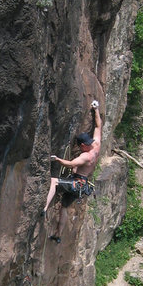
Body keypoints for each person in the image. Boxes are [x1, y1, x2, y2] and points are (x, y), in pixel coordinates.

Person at [44, 100, 102, 242]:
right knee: (64, 207)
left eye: (88, 144)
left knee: (53, 181)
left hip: (76, 184)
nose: (89, 145)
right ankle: (58, 235)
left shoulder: (85, 156)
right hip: (82, 185)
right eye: (87, 144)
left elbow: (70, 164)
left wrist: (57, 159)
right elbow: (98, 126)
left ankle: (44, 208)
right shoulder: (96, 146)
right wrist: (96, 109)